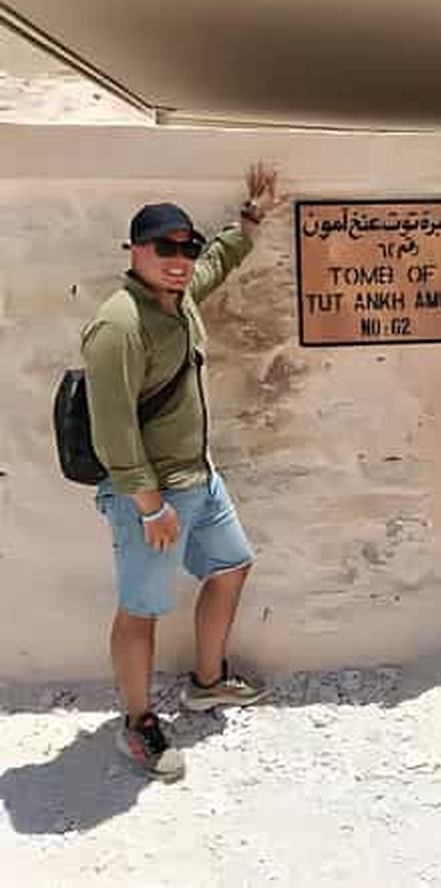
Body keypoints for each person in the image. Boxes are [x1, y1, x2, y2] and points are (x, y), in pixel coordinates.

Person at [82, 162, 280, 781]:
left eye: (185, 248)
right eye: (163, 248)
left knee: (231, 565)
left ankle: (207, 682)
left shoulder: (181, 296)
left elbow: (217, 261)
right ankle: (137, 724)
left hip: (199, 478)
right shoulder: (119, 325)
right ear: (135, 251)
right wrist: (150, 506)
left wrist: (250, 218)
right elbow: (113, 432)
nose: (179, 259)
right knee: (141, 609)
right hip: (151, 495)